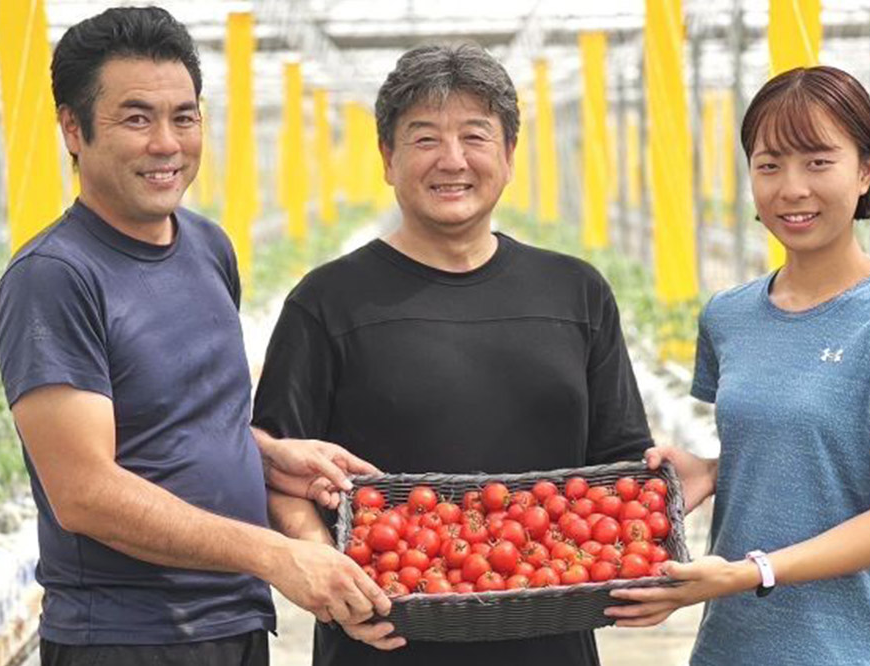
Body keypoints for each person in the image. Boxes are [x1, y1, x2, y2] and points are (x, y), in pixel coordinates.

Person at [0, 7, 388, 666]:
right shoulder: (56, 278)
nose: (167, 143)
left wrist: (262, 453)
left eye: (184, 116)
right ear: (73, 130)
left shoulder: (206, 246)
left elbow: (174, 421)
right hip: (126, 637)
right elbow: (84, 493)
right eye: (137, 118)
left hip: (231, 622)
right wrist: (276, 553)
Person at [251, 43, 655, 666]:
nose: (453, 160)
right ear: (387, 159)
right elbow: (280, 470)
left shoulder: (576, 293)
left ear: (510, 156)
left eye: (475, 136)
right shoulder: (327, 303)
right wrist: (321, 563)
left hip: (550, 644)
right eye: (424, 139)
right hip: (381, 641)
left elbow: (623, 469)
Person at [608, 65, 870, 666]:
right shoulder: (730, 315)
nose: (791, 188)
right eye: (769, 165)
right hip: (731, 648)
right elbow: (798, 445)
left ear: (866, 170)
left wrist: (751, 572)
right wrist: (713, 470)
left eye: (818, 162)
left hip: (851, 649)